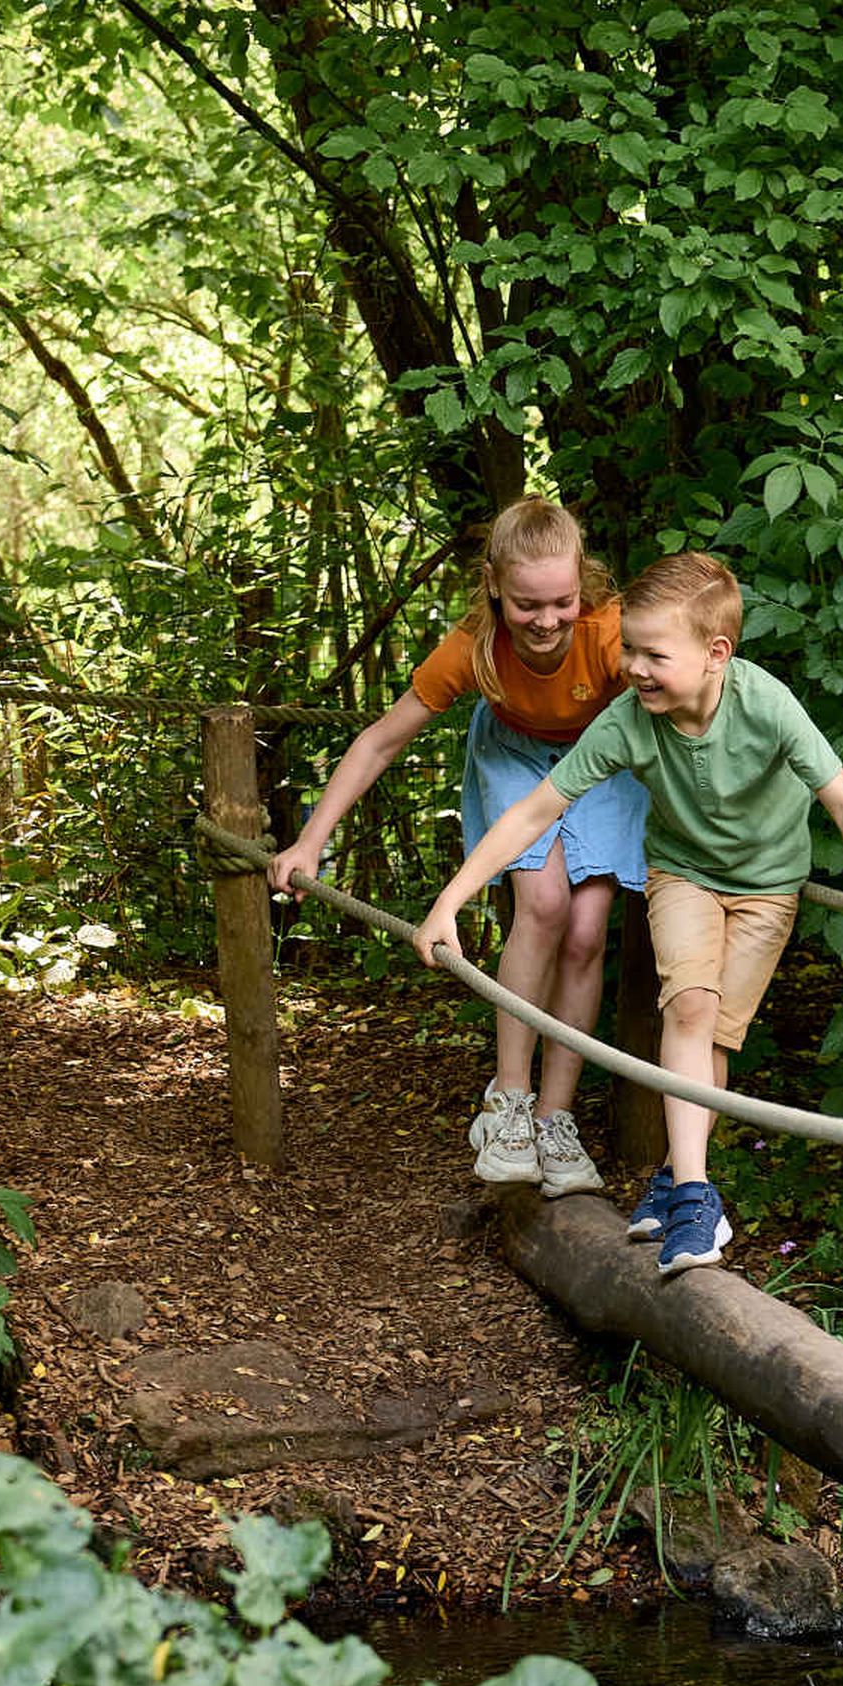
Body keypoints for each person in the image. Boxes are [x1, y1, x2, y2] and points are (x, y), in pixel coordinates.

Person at [413, 551, 843, 1275]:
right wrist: (449, 901)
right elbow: (533, 814)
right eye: (630, 650)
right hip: (682, 875)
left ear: (716, 655)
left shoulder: (764, 704)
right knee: (690, 1008)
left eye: (653, 654)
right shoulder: (629, 722)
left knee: (718, 1038)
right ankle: (699, 1197)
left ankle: (674, 1176)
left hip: (770, 887)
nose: (634, 667)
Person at [269, 497, 652, 1196]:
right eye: (527, 605)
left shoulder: (609, 632)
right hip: (512, 756)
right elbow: (381, 740)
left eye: (561, 602)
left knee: (588, 929)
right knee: (541, 904)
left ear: (582, 585)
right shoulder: (475, 644)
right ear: (495, 585)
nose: (546, 622)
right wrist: (309, 842)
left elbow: (686, 710)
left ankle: (556, 1119)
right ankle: (510, 1102)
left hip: (600, 758)